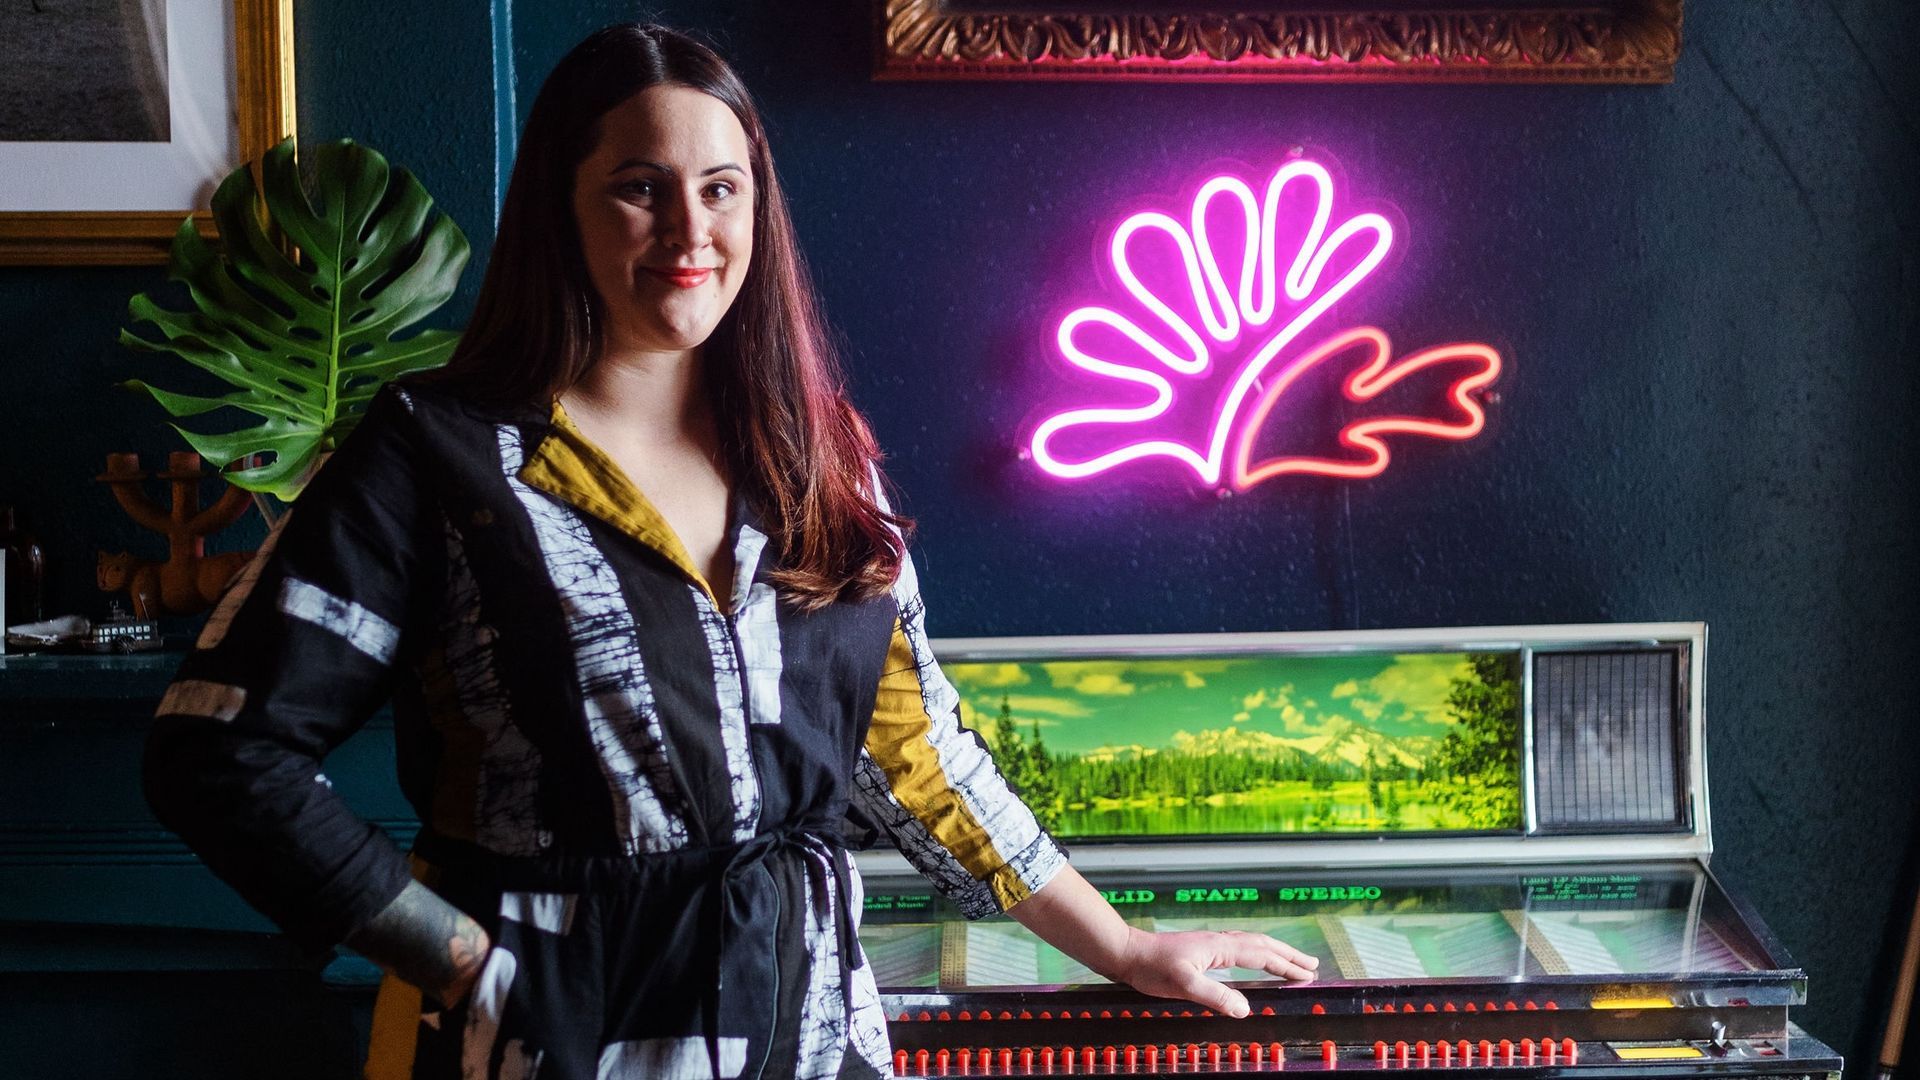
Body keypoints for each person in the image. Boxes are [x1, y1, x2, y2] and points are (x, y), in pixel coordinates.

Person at [141, 22, 1317, 1080]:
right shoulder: (437, 457)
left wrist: (1117, 943)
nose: (690, 232)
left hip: (806, 1021)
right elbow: (219, 748)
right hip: (543, 1032)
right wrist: (457, 961)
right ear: (563, 205)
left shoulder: (818, 453)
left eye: (721, 187)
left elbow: (912, 750)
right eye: (639, 191)